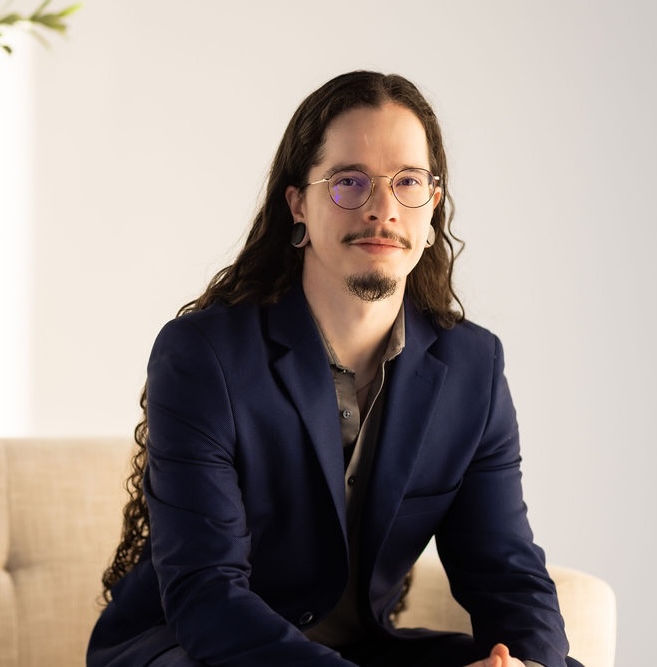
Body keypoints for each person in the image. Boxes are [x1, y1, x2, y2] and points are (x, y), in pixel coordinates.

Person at [87, 71, 583, 667]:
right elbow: (206, 592)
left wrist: (527, 665)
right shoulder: (202, 355)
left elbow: (504, 571)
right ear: (298, 203)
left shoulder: (472, 367)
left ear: (432, 207)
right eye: (350, 182)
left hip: (362, 651)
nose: (383, 210)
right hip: (195, 648)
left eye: (408, 182)